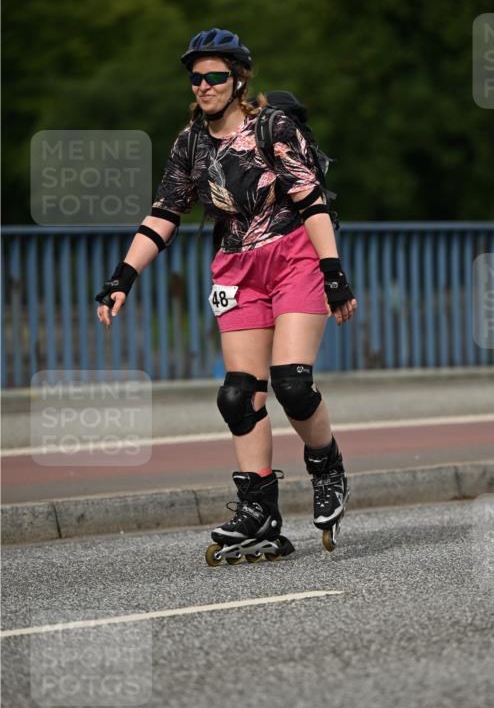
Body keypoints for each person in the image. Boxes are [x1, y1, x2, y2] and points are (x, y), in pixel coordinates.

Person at [95, 28, 357, 563]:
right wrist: (122, 277)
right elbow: (164, 215)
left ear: (238, 79)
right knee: (238, 395)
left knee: (292, 383)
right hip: (235, 268)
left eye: (215, 76)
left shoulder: (272, 127)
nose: (204, 86)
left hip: (294, 255)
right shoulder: (190, 143)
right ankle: (258, 509)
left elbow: (312, 201)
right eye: (196, 78)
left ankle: (325, 464)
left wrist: (334, 274)